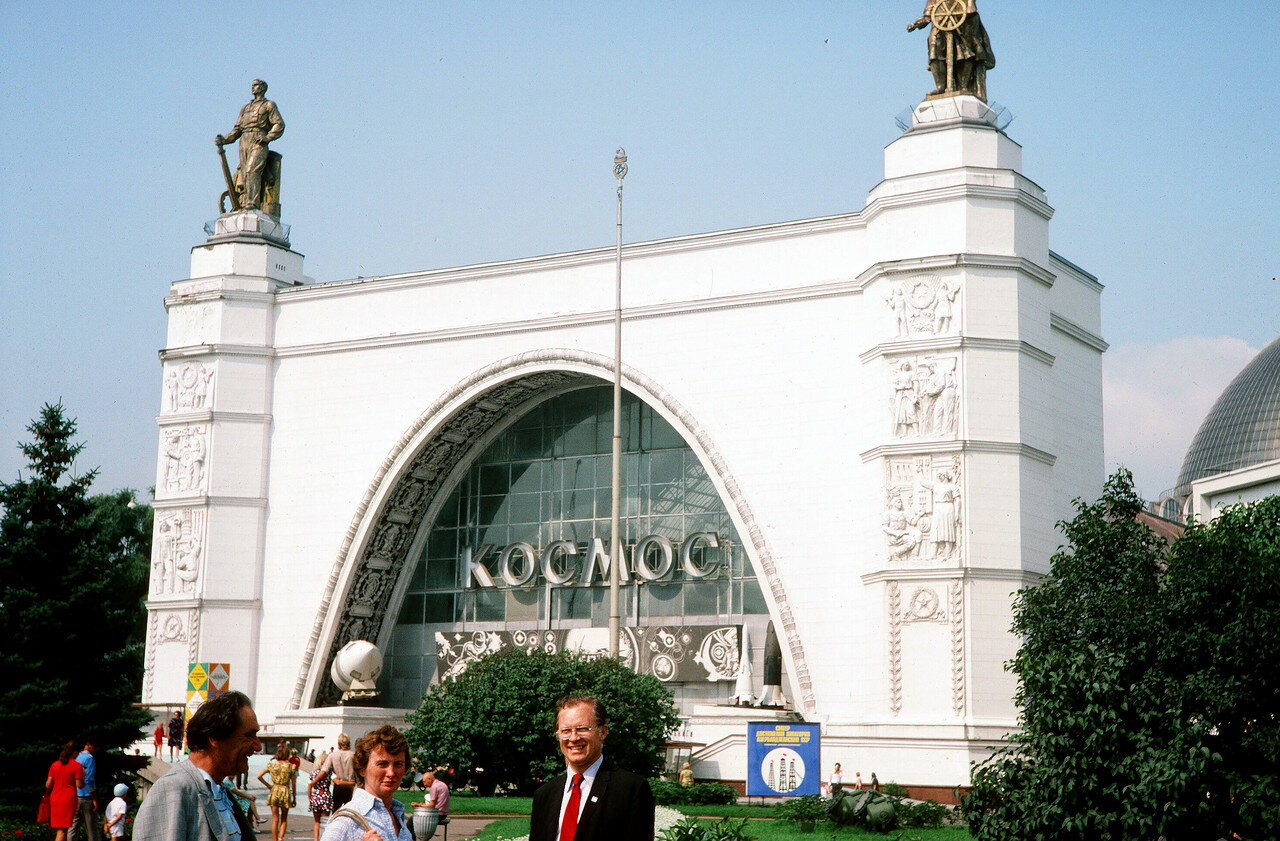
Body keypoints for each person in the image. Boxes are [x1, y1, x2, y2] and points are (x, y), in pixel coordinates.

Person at [133, 690, 261, 841]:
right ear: (216, 737)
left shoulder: (219, 792)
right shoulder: (173, 789)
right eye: (249, 735)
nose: (257, 746)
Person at [530, 694, 655, 841]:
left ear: (603, 732)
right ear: (558, 734)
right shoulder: (544, 795)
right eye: (566, 731)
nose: (573, 738)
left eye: (582, 729)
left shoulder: (631, 790)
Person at [319, 726, 412, 841]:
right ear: (362, 769)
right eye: (382, 764)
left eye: (398, 764)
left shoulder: (396, 815)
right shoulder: (346, 821)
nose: (391, 773)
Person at [215, 79, 285, 212]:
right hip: (244, 140)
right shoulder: (245, 108)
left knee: (252, 170)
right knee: (245, 174)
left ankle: (252, 203)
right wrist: (224, 140)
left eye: (256, 85)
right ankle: (244, 201)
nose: (253, 87)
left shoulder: (269, 105)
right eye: (252, 85)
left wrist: (267, 137)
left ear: (263, 88)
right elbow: (237, 130)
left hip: (258, 140)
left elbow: (279, 124)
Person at [907, 1, 995, 101]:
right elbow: (927, 17)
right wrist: (916, 24)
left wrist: (970, 8)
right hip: (940, 24)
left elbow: (971, 8)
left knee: (966, 51)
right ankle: (940, 87)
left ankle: (964, 85)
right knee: (934, 48)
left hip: (964, 21)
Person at [257, 743, 296, 841]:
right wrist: (294, 798)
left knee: (275, 819)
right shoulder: (291, 766)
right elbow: (294, 784)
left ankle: (275, 839)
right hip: (285, 791)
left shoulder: (272, 765)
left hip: (274, 790)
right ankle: (281, 838)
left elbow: (259, 776)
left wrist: (268, 785)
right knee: (284, 818)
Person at [47, 741, 86, 841]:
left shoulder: (55, 765)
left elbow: (48, 784)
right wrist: (83, 776)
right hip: (68, 799)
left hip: (55, 798)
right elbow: (80, 785)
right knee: (62, 830)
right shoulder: (77, 766)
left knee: (61, 828)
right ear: (74, 753)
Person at [69, 740, 103, 841]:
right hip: (86, 796)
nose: (95, 749)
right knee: (91, 828)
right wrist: (95, 799)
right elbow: (89, 779)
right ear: (88, 744)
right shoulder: (89, 758)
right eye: (94, 746)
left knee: (73, 828)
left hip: (75, 796)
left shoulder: (75, 757)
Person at [318, 734, 356, 810]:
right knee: (349, 811)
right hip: (350, 787)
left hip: (338, 787)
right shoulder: (354, 756)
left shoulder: (333, 755)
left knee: (335, 811)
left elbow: (324, 770)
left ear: (339, 743)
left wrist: (314, 781)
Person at [306, 753, 334, 841]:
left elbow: (310, 786)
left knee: (317, 822)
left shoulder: (313, 773)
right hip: (326, 796)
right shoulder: (328, 773)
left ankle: (316, 839)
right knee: (325, 821)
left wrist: (310, 797)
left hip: (316, 797)